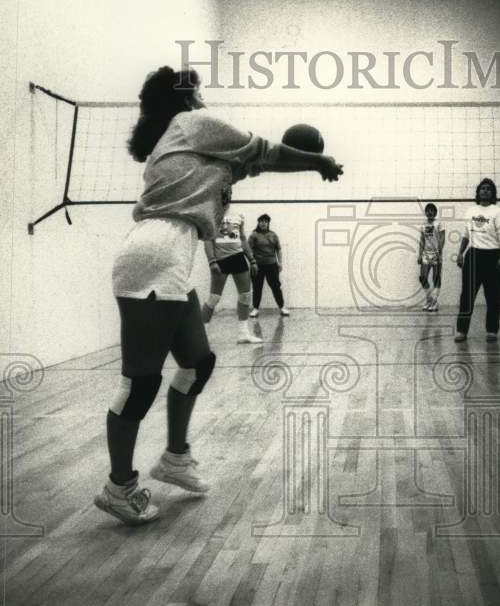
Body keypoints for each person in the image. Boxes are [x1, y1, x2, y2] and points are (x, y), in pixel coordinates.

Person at [97, 66, 343, 525]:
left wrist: (290, 162)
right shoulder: (192, 124)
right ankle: (119, 487)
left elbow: (252, 163)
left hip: (171, 255)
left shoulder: (186, 140)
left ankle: (175, 458)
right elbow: (263, 150)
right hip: (156, 254)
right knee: (140, 382)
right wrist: (318, 162)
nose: (204, 97)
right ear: (186, 97)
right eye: (199, 92)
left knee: (198, 361)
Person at [454, 178, 500, 342]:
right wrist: (460, 253)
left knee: (493, 297)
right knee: (467, 297)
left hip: (493, 257)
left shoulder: (498, 212)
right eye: (482, 188)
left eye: (488, 189)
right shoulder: (471, 211)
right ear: (478, 192)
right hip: (473, 257)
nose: (485, 191)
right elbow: (465, 234)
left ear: (492, 193)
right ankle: (462, 331)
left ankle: (492, 331)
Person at [201, 211, 263, 344]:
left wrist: (252, 260)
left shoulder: (239, 215)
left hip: (238, 258)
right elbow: (208, 240)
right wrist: (212, 261)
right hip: (220, 260)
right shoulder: (211, 213)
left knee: (245, 295)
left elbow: (243, 239)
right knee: (214, 298)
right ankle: (200, 335)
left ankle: (243, 334)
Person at [247, 214, 289, 317]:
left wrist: (280, 263)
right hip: (257, 267)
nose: (263, 223)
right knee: (257, 288)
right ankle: (255, 309)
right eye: (261, 221)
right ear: (258, 222)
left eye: (265, 221)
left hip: (272, 265)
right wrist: (252, 263)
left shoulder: (273, 235)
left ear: (268, 223)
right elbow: (248, 250)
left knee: (276, 287)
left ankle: (282, 307)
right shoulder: (254, 235)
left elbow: (278, 249)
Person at [417, 203, 445, 312]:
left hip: (436, 254)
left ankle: (434, 303)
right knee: (423, 277)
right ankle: (430, 299)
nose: (430, 212)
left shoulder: (439, 223)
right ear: (426, 212)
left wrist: (439, 251)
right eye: (428, 210)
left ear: (435, 212)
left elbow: (442, 238)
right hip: (426, 254)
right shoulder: (423, 225)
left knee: (436, 278)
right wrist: (420, 254)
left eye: (432, 210)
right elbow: (422, 240)